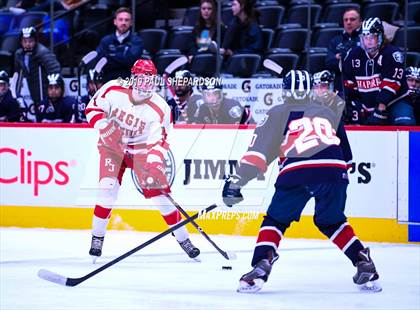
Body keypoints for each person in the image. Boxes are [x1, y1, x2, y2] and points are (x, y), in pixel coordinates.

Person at [222, 70, 381, 293]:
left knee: (276, 220)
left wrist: (237, 181)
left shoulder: (277, 112)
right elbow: (348, 156)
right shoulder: (327, 112)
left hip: (298, 170)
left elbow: (258, 153)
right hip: (336, 171)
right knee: (331, 220)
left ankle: (261, 265)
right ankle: (362, 260)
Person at [85, 59, 200, 261]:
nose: (146, 83)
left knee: (161, 198)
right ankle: (97, 237)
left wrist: (154, 164)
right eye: (141, 78)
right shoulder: (113, 88)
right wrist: (105, 127)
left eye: (150, 79)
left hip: (140, 152)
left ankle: (184, 239)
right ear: (133, 77)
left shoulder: (161, 108)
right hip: (112, 148)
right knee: (107, 189)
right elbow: (92, 109)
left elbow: (158, 142)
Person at [342, 17, 414, 126]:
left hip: (396, 102)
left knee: (405, 124)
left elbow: (392, 83)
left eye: (372, 37)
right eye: (365, 37)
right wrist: (355, 105)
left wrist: (380, 109)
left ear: (380, 37)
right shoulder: (353, 55)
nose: (368, 41)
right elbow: (349, 84)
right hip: (368, 106)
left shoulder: (392, 54)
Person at [14, 27, 61, 106]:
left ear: (35, 41)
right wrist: (16, 93)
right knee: (37, 109)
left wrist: (53, 90)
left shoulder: (42, 52)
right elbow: (18, 74)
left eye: (30, 41)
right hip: (33, 88)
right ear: (21, 42)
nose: (27, 44)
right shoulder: (19, 54)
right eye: (25, 41)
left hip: (46, 89)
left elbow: (55, 70)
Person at [96, 7, 144, 82]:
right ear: (115, 21)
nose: (123, 22)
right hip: (108, 81)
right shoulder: (106, 40)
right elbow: (100, 59)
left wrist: (110, 56)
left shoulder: (137, 40)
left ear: (131, 23)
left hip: (129, 81)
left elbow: (131, 60)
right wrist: (123, 57)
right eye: (120, 19)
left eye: (126, 20)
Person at [325, 8, 361, 94]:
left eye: (352, 19)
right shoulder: (335, 41)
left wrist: (341, 57)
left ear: (360, 22)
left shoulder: (365, 39)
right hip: (341, 88)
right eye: (346, 20)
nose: (348, 22)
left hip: (361, 86)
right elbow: (329, 62)